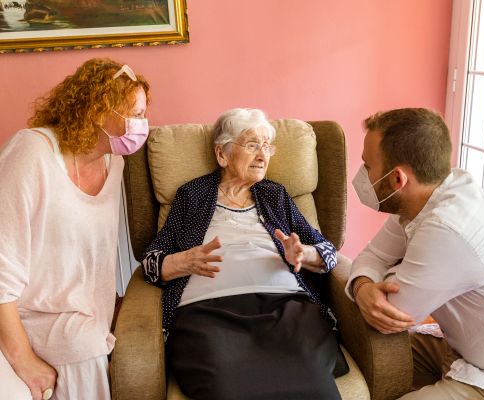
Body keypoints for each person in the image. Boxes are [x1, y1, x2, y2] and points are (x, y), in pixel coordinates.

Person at [0, 58, 150, 400]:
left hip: (32, 302)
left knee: (86, 345)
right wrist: (25, 359)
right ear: (97, 109)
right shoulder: (31, 152)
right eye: (136, 113)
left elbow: (93, 259)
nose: (143, 125)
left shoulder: (113, 163)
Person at [346, 108, 484, 400]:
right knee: (360, 356)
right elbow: (372, 257)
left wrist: (379, 278)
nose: (362, 174)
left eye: (367, 166)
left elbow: (393, 312)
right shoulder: (424, 197)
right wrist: (364, 284)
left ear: (397, 180)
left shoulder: (449, 228)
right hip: (465, 350)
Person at [142, 108, 345, 400]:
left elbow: (328, 252)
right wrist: (182, 261)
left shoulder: (276, 195)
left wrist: (304, 254)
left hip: (286, 309)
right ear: (222, 154)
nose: (263, 155)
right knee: (226, 385)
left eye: (267, 146)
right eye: (252, 145)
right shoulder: (193, 195)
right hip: (207, 314)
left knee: (314, 383)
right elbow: (151, 261)